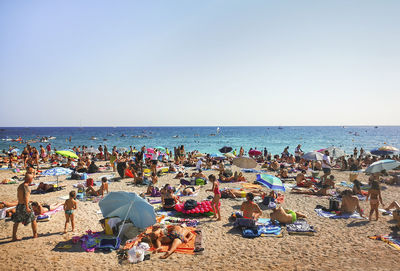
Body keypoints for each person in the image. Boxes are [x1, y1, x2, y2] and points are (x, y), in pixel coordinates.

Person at [11, 174, 38, 241]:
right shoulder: (26, 187)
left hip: (19, 205)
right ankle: (35, 234)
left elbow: (20, 196)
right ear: (29, 179)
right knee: (33, 219)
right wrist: (27, 207)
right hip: (24, 206)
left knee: (16, 221)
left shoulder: (20, 186)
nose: (32, 180)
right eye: (32, 179)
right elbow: (26, 197)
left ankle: (14, 237)